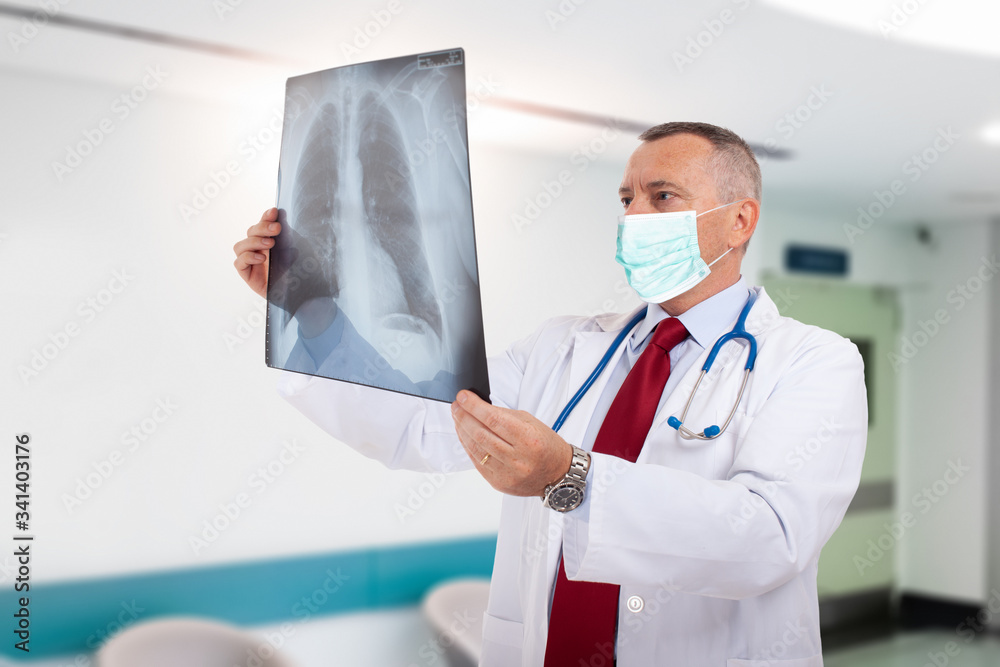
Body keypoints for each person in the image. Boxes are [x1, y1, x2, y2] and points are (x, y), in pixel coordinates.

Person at [233, 121, 868, 666]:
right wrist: (310, 312)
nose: (634, 217)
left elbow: (771, 537)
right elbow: (429, 424)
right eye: (626, 198)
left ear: (739, 220)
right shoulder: (563, 347)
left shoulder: (813, 362)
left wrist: (572, 477)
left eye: (662, 196)